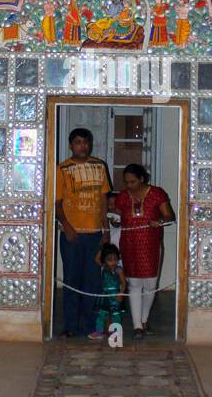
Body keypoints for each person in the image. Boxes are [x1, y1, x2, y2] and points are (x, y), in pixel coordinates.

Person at [55, 127, 111, 337]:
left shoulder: (99, 166)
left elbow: (103, 200)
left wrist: (106, 230)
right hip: (72, 234)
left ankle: (89, 325)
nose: (83, 146)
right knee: (72, 280)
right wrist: (67, 226)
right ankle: (70, 326)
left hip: (95, 234)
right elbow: (57, 203)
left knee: (93, 281)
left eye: (86, 142)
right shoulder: (62, 169)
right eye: (78, 142)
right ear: (71, 145)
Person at [114, 163, 175, 339]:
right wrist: (115, 220)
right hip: (129, 244)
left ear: (141, 179)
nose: (129, 185)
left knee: (150, 285)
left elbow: (170, 216)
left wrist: (160, 221)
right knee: (134, 284)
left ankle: (144, 319)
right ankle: (137, 326)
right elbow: (118, 215)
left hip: (151, 245)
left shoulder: (156, 194)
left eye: (132, 182)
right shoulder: (123, 197)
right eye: (126, 182)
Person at [88, 243, 126, 342]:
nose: (113, 262)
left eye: (115, 259)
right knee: (101, 314)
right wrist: (104, 248)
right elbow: (96, 259)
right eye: (109, 259)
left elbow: (123, 283)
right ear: (104, 260)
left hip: (115, 296)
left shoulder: (119, 270)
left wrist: (121, 294)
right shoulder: (103, 267)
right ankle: (99, 332)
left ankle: (116, 333)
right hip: (105, 296)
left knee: (115, 315)